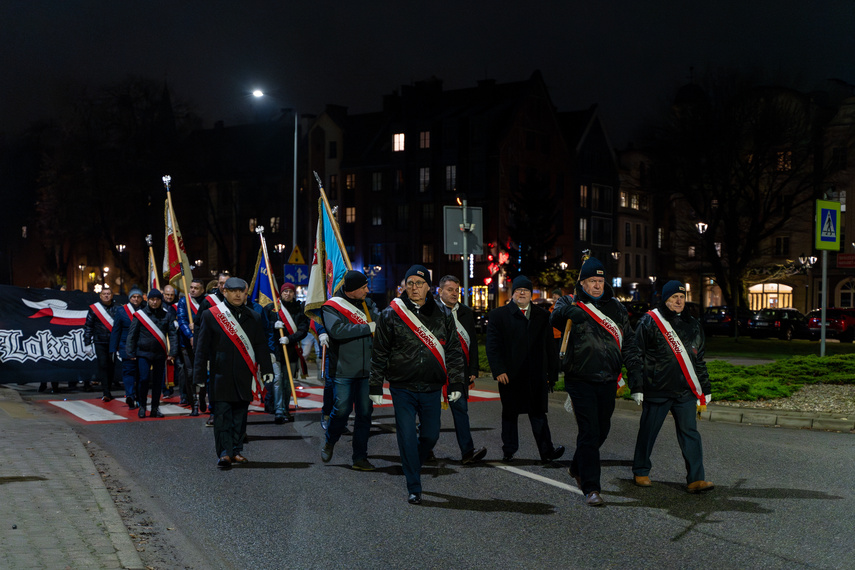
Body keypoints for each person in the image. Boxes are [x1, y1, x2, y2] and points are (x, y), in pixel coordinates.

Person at [550, 257, 642, 507]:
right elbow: (555, 318)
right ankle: (591, 487)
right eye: (593, 281)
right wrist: (568, 311)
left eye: (601, 281)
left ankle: (577, 465)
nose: (598, 285)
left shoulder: (616, 308)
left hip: (609, 378)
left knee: (602, 430)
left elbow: (630, 343)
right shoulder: (569, 301)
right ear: (582, 282)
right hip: (580, 378)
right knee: (589, 431)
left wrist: (636, 377)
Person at [369, 265, 465, 504]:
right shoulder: (390, 314)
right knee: (407, 436)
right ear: (404, 286)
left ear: (428, 287)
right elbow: (379, 352)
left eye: (419, 283)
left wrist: (456, 383)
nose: (413, 288)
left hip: (432, 386)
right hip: (403, 386)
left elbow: (453, 350)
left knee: (430, 436)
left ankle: (412, 463)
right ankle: (414, 485)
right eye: (409, 283)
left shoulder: (442, 314)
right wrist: (375, 385)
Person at [631, 280, 714, 493]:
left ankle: (696, 479)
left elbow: (699, 359)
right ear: (665, 299)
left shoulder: (693, 324)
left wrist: (705, 387)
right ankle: (641, 471)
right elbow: (636, 355)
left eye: (682, 297)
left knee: (690, 434)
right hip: (657, 388)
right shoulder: (650, 322)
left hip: (685, 390)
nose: (679, 300)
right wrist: (637, 386)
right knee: (648, 432)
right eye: (674, 297)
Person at [194, 277, 273, 469]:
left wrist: (267, 370)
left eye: (241, 291)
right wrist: (198, 376)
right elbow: (201, 348)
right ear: (225, 292)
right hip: (220, 375)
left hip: (244, 374)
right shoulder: (211, 315)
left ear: (246, 293)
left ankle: (236, 451)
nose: (238, 294)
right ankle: (224, 453)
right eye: (233, 290)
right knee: (222, 417)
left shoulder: (253, 316)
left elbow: (261, 345)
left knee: (240, 415)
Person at [486, 275, 564, 466]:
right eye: (518, 290)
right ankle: (509, 451)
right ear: (513, 294)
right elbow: (493, 346)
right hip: (510, 375)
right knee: (510, 414)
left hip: (536, 375)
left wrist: (552, 374)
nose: (522, 293)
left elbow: (549, 347)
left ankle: (547, 452)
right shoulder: (499, 315)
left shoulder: (542, 316)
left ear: (531, 295)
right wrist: (498, 370)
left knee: (538, 414)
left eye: (526, 291)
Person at [320, 270, 380, 470]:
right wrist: (367, 327)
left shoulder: (368, 304)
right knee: (342, 409)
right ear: (353, 289)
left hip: (367, 370)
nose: (367, 290)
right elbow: (337, 331)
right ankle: (330, 440)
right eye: (363, 287)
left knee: (365, 413)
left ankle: (359, 457)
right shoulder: (331, 307)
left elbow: (379, 324)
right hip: (343, 370)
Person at [435, 275, 487, 464]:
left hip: (459, 372)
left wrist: (473, 367)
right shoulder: (431, 311)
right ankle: (424, 449)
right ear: (440, 291)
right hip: (436, 370)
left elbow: (471, 342)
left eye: (457, 290)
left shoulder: (465, 312)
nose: (454, 293)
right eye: (450, 290)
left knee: (461, 411)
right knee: (430, 414)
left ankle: (467, 452)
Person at [126, 289, 177, 418]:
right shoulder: (140, 315)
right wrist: (130, 351)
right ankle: (142, 406)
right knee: (143, 379)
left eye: (157, 300)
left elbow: (172, 334)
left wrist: (173, 352)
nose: (154, 302)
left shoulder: (166, 315)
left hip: (159, 353)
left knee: (157, 382)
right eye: (152, 299)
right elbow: (132, 334)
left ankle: (155, 408)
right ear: (147, 300)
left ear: (161, 300)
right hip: (143, 352)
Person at [271, 283, 308, 423]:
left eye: (290, 291)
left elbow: (303, 330)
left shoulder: (299, 309)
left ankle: (285, 408)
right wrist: (273, 326)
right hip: (276, 351)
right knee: (277, 380)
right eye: (285, 291)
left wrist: (290, 338)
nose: (287, 294)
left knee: (287, 382)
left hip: (291, 351)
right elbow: (264, 328)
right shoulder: (273, 309)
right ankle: (278, 410)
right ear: (281, 293)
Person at [109, 287, 145, 409]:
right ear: (129, 298)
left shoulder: (145, 310)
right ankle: (130, 395)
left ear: (141, 298)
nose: (136, 299)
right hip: (126, 347)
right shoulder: (121, 311)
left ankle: (140, 397)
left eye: (138, 297)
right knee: (128, 372)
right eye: (133, 297)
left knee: (141, 374)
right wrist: (113, 348)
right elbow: (116, 331)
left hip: (141, 347)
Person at [83, 286, 121, 401]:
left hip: (113, 342)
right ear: (100, 296)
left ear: (112, 295)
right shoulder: (95, 309)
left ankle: (108, 388)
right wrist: (87, 343)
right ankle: (106, 392)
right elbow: (88, 326)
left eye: (108, 293)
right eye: (104, 294)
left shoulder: (118, 308)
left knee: (111, 367)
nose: (106, 295)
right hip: (100, 342)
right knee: (103, 365)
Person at [177, 278, 205, 415]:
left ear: (202, 290)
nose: (193, 290)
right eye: (191, 287)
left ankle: (203, 398)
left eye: (196, 288)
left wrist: (198, 329)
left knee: (204, 372)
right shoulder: (184, 301)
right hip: (187, 343)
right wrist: (191, 335)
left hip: (203, 343)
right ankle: (193, 403)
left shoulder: (206, 302)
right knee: (190, 373)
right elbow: (181, 320)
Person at [161, 284, 178, 398]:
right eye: (167, 294)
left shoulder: (177, 306)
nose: (169, 297)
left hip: (174, 338)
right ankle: (165, 389)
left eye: (171, 295)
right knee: (163, 367)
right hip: (162, 338)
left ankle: (171, 388)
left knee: (173, 366)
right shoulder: (159, 306)